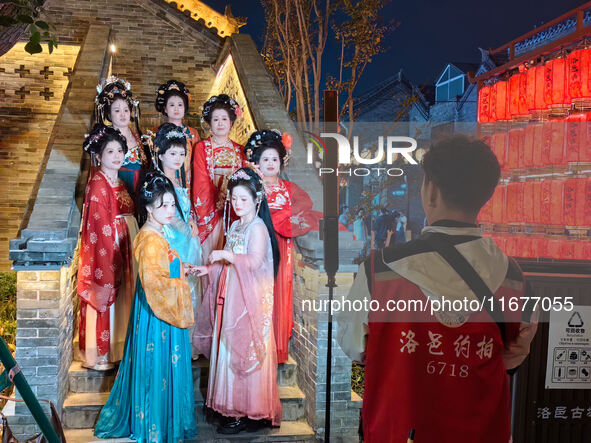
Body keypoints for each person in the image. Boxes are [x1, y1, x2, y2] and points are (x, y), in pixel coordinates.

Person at [337, 135, 538, 443]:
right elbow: (513, 356)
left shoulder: (381, 270)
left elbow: (355, 346)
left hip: (398, 432)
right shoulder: (515, 278)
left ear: (430, 190)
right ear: (486, 195)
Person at [94, 172, 198, 442]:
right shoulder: (151, 238)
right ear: (149, 208)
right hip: (158, 313)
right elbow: (156, 283)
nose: (169, 210)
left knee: (159, 368)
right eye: (162, 205)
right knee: (158, 368)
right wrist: (180, 281)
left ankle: (160, 422)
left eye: (172, 204)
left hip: (155, 308)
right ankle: (156, 425)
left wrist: (181, 268)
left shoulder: (157, 232)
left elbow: (164, 270)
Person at [192, 167, 282, 434]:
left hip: (249, 300)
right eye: (234, 199)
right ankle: (230, 408)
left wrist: (226, 256)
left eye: (244, 199)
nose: (238, 204)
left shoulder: (258, 228)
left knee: (245, 351)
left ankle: (249, 411)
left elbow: (254, 263)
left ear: (257, 199)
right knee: (229, 348)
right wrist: (208, 270)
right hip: (231, 295)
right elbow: (228, 265)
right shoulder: (234, 225)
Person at [77, 124, 138, 371]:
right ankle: (100, 353)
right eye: (110, 151)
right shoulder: (98, 184)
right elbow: (99, 224)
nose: (116, 156)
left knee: (124, 299)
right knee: (106, 295)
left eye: (119, 151)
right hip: (108, 245)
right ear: (99, 156)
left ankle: (118, 348)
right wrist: (111, 248)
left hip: (124, 241)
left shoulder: (119, 182)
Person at [154, 123, 202, 356]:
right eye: (172, 153)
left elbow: (184, 208)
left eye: (182, 154)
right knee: (174, 287)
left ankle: (186, 345)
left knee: (189, 289)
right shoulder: (159, 181)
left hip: (186, 241)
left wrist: (191, 221)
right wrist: (186, 228)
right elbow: (167, 215)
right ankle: (172, 344)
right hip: (171, 242)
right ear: (160, 154)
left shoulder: (179, 181)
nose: (178, 158)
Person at [192, 94, 246, 262]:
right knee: (211, 255)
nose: (220, 123)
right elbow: (200, 181)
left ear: (231, 122)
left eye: (224, 119)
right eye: (215, 119)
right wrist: (219, 199)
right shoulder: (202, 147)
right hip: (211, 209)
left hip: (234, 208)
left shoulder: (240, 150)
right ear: (209, 123)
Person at [94, 76, 149, 197]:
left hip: (140, 192)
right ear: (108, 113)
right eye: (117, 111)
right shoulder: (104, 138)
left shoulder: (139, 136)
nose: (123, 114)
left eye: (126, 110)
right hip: (116, 192)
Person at [154, 79, 200, 186]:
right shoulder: (156, 132)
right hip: (164, 184)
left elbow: (196, 163)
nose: (176, 109)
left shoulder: (192, 133)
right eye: (171, 105)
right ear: (165, 108)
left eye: (180, 105)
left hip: (188, 184)